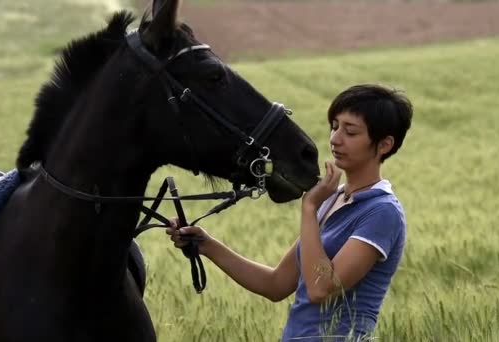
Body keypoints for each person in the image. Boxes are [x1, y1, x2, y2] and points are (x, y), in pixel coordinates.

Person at [166, 84, 413, 341]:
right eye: (335, 126)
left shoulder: (381, 212)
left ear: (384, 145)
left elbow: (322, 289)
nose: (335, 138)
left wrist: (309, 208)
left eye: (350, 131)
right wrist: (206, 244)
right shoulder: (332, 201)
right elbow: (275, 285)